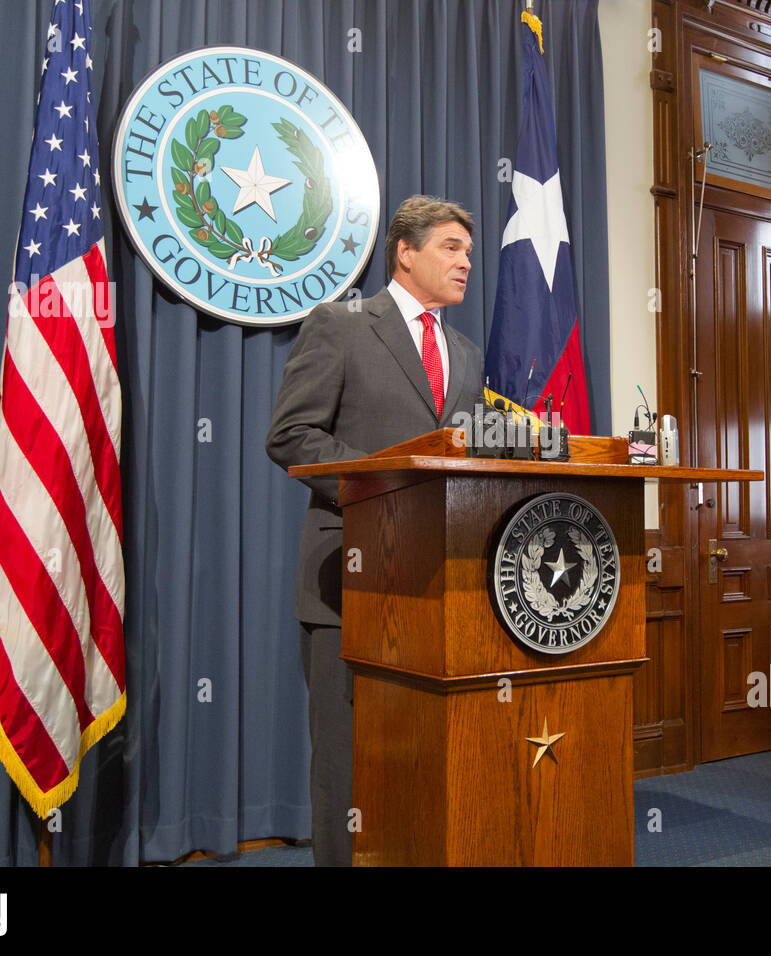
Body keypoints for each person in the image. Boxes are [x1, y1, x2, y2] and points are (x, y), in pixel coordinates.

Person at [265, 195, 485, 865]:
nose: (465, 262)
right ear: (406, 252)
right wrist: (382, 498)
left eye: (469, 253)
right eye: (450, 247)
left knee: (422, 752)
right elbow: (292, 436)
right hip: (348, 581)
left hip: (438, 586)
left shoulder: (468, 353)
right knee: (346, 757)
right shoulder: (344, 324)